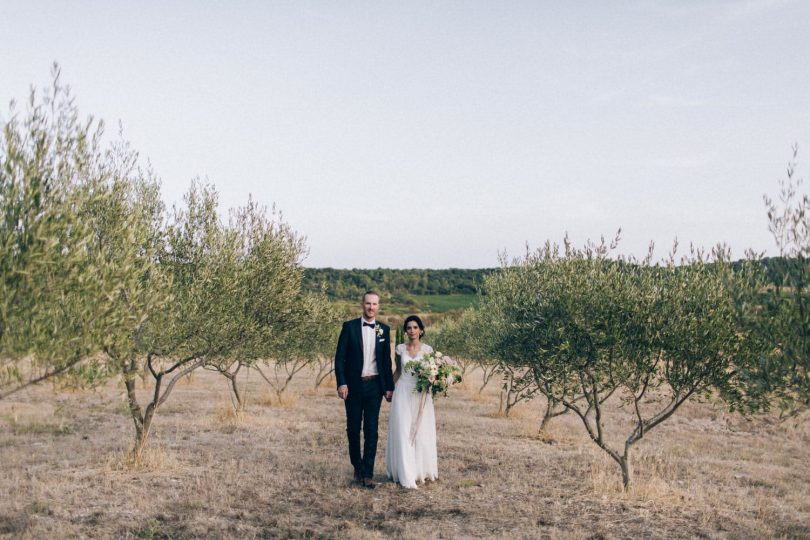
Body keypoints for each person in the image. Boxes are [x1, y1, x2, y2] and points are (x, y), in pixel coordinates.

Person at [334, 291, 394, 488]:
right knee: (353, 429)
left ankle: (368, 473)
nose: (371, 307)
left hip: (374, 386)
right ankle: (357, 467)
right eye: (368, 303)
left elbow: (386, 361)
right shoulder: (349, 327)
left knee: (372, 430)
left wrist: (388, 387)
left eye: (375, 304)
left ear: (378, 306)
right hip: (353, 386)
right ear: (362, 304)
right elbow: (339, 358)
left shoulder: (383, 330)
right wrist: (342, 383)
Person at [385, 315, 438, 488]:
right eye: (409, 328)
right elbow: (398, 371)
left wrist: (436, 381)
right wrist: (389, 389)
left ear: (421, 330)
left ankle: (419, 470)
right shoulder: (400, 348)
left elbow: (433, 373)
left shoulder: (428, 350)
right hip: (403, 392)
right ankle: (404, 472)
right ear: (405, 331)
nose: (412, 330)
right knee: (402, 430)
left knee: (421, 433)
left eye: (415, 327)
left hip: (421, 395)